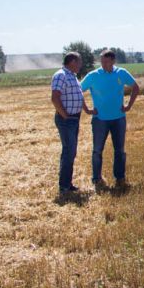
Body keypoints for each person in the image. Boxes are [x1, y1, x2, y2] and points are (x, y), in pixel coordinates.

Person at [81, 49, 139, 189]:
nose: (104, 63)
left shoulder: (121, 73)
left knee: (119, 150)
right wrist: (87, 109)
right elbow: (78, 91)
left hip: (118, 118)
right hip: (100, 119)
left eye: (107, 61)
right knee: (97, 150)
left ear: (113, 61)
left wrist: (129, 105)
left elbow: (135, 87)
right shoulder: (93, 75)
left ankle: (120, 178)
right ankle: (96, 178)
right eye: (102, 61)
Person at [51, 52, 93, 193]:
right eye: (79, 62)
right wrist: (65, 116)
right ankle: (64, 186)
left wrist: (87, 110)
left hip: (74, 118)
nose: (81, 65)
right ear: (72, 62)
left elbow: (78, 97)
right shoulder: (60, 75)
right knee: (69, 151)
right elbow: (55, 98)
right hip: (66, 120)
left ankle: (67, 184)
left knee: (71, 151)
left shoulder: (73, 77)